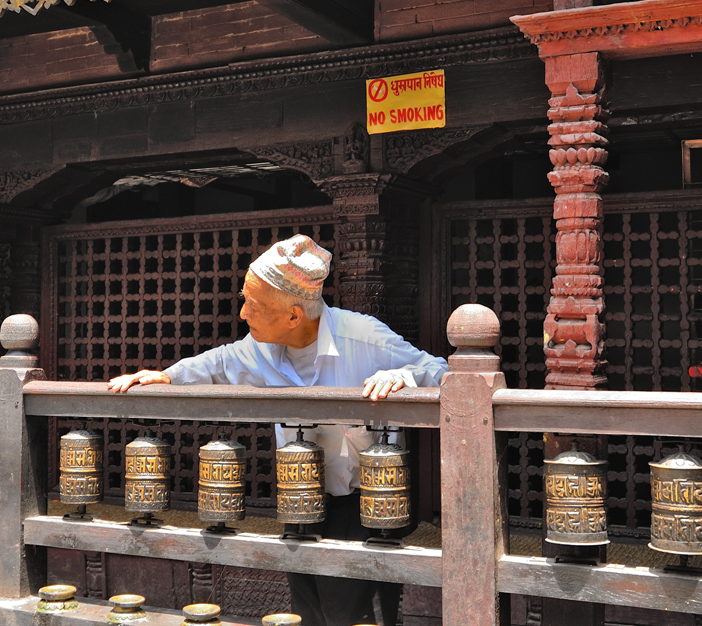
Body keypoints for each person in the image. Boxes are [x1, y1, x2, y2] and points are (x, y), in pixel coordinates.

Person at [108, 234, 448, 626]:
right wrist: (165, 377)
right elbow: (216, 364)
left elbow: (441, 373)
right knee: (309, 611)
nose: (242, 313)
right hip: (300, 499)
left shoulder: (364, 337)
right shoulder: (259, 346)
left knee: (355, 614)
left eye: (253, 304)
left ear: (293, 316)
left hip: (366, 504)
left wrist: (403, 376)